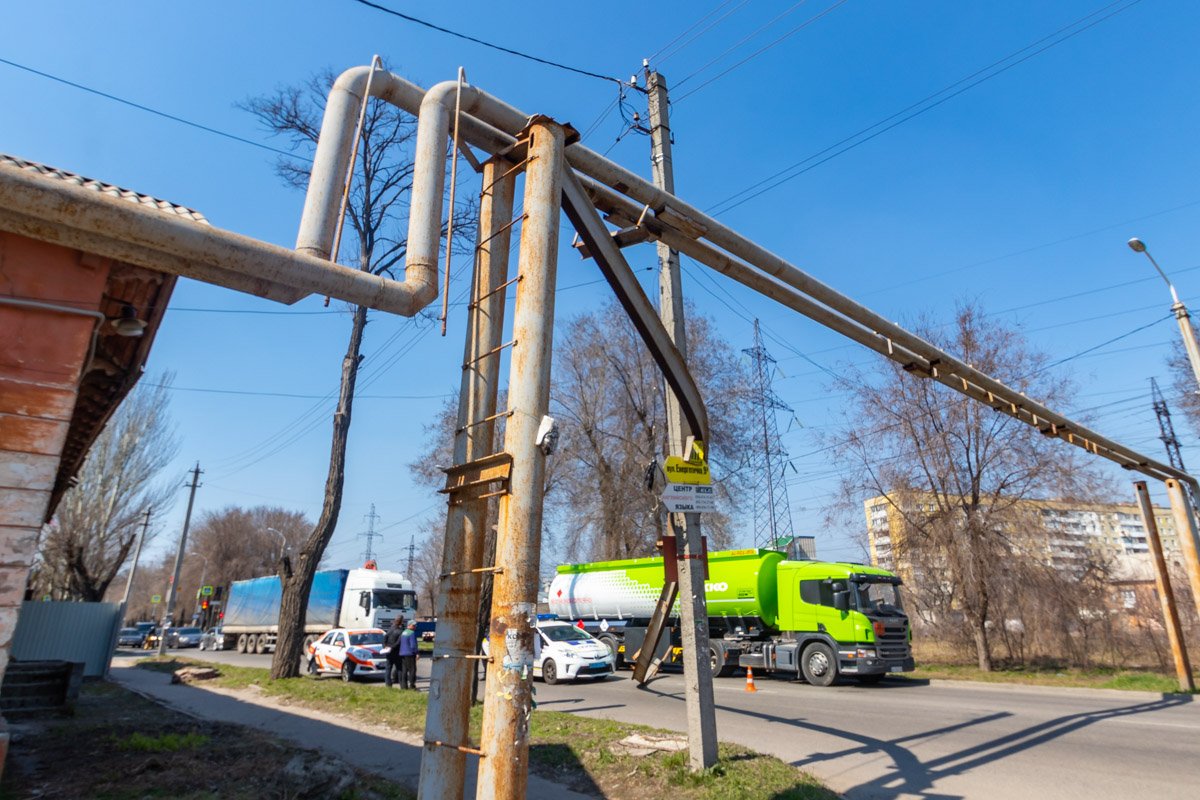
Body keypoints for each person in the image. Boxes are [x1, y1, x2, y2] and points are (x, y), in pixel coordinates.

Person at [384, 617, 404, 688]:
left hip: (388, 651)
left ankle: (388, 684)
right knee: (400, 669)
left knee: (388, 668)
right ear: (401, 622)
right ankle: (402, 684)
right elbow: (398, 642)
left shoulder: (389, 629)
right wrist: (392, 647)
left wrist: (385, 646)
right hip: (396, 652)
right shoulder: (401, 631)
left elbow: (385, 638)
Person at [398, 620, 419, 690]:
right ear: (409, 625)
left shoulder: (403, 632)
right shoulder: (412, 633)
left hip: (402, 653)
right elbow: (413, 645)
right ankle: (412, 686)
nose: (415, 627)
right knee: (412, 670)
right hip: (410, 653)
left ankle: (404, 686)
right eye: (413, 625)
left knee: (404, 670)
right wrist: (417, 653)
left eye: (415, 625)